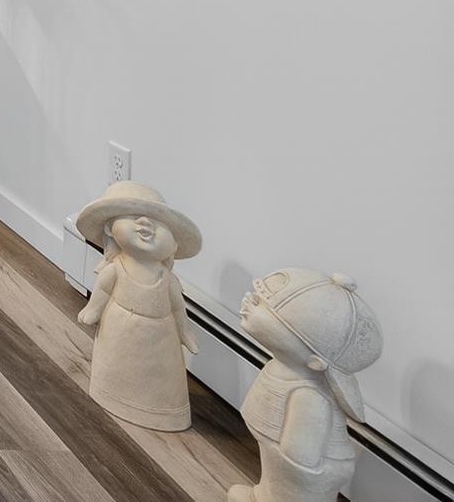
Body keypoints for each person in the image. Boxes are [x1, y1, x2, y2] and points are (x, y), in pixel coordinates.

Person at [229, 269, 381, 502]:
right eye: (259, 299)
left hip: (300, 486)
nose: (250, 301)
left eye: (266, 308)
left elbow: (299, 460)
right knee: (273, 478)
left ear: (315, 362)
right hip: (280, 467)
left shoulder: (309, 397)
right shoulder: (284, 371)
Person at [75, 180, 202, 430]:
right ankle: (109, 392)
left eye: (159, 222)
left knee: (161, 376)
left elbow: (178, 308)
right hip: (119, 331)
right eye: (133, 216)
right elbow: (102, 290)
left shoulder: (168, 280)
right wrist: (93, 309)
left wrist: (185, 331)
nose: (145, 223)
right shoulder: (116, 269)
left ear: (174, 245)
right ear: (110, 228)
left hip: (161, 340)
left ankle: (162, 411)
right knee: (117, 366)